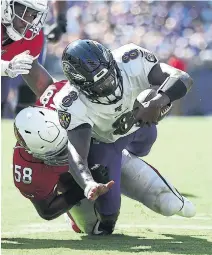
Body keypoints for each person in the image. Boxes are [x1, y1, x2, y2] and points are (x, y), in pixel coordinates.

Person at [51, 39, 193, 234]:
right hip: (105, 142)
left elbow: (183, 78)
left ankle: (125, 165)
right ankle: (116, 171)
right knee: (107, 218)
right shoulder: (72, 102)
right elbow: (76, 154)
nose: (108, 86)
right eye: (99, 85)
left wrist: (157, 101)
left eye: (109, 76)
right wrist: (88, 183)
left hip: (140, 123)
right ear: (81, 85)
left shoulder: (130, 59)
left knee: (147, 141)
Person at [13, 104, 196, 235]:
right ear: (32, 152)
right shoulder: (28, 169)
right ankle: (75, 216)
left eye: (66, 145)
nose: (67, 154)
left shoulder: (72, 105)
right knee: (93, 229)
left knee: (170, 204)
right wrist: (84, 188)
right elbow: (47, 210)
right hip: (75, 186)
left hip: (104, 156)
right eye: (58, 153)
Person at [1, 0, 68, 117]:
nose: (27, 21)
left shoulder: (32, 37)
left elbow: (34, 73)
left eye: (33, 15)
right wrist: (6, 67)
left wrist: (62, 102)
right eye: (23, 12)